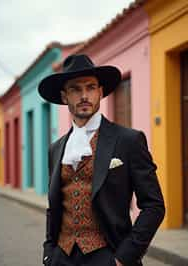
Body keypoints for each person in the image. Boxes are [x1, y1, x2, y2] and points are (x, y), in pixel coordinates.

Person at [38, 54, 165, 266]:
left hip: (108, 255)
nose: (84, 95)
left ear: (101, 92)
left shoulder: (128, 140)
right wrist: (49, 252)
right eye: (75, 89)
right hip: (61, 257)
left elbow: (154, 206)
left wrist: (123, 258)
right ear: (64, 97)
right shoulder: (56, 148)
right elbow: (54, 207)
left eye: (90, 87)